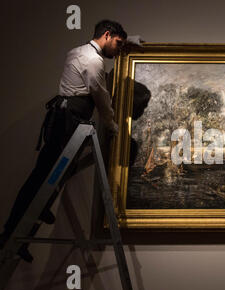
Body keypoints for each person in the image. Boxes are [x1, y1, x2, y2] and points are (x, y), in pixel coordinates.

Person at [0, 20, 129, 262]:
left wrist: (131, 41)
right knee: (44, 177)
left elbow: (95, 88)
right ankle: (13, 233)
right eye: (118, 44)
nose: (119, 50)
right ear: (107, 35)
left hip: (63, 118)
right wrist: (112, 125)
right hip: (67, 122)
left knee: (50, 176)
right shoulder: (93, 61)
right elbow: (101, 97)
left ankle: (24, 227)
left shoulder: (78, 51)